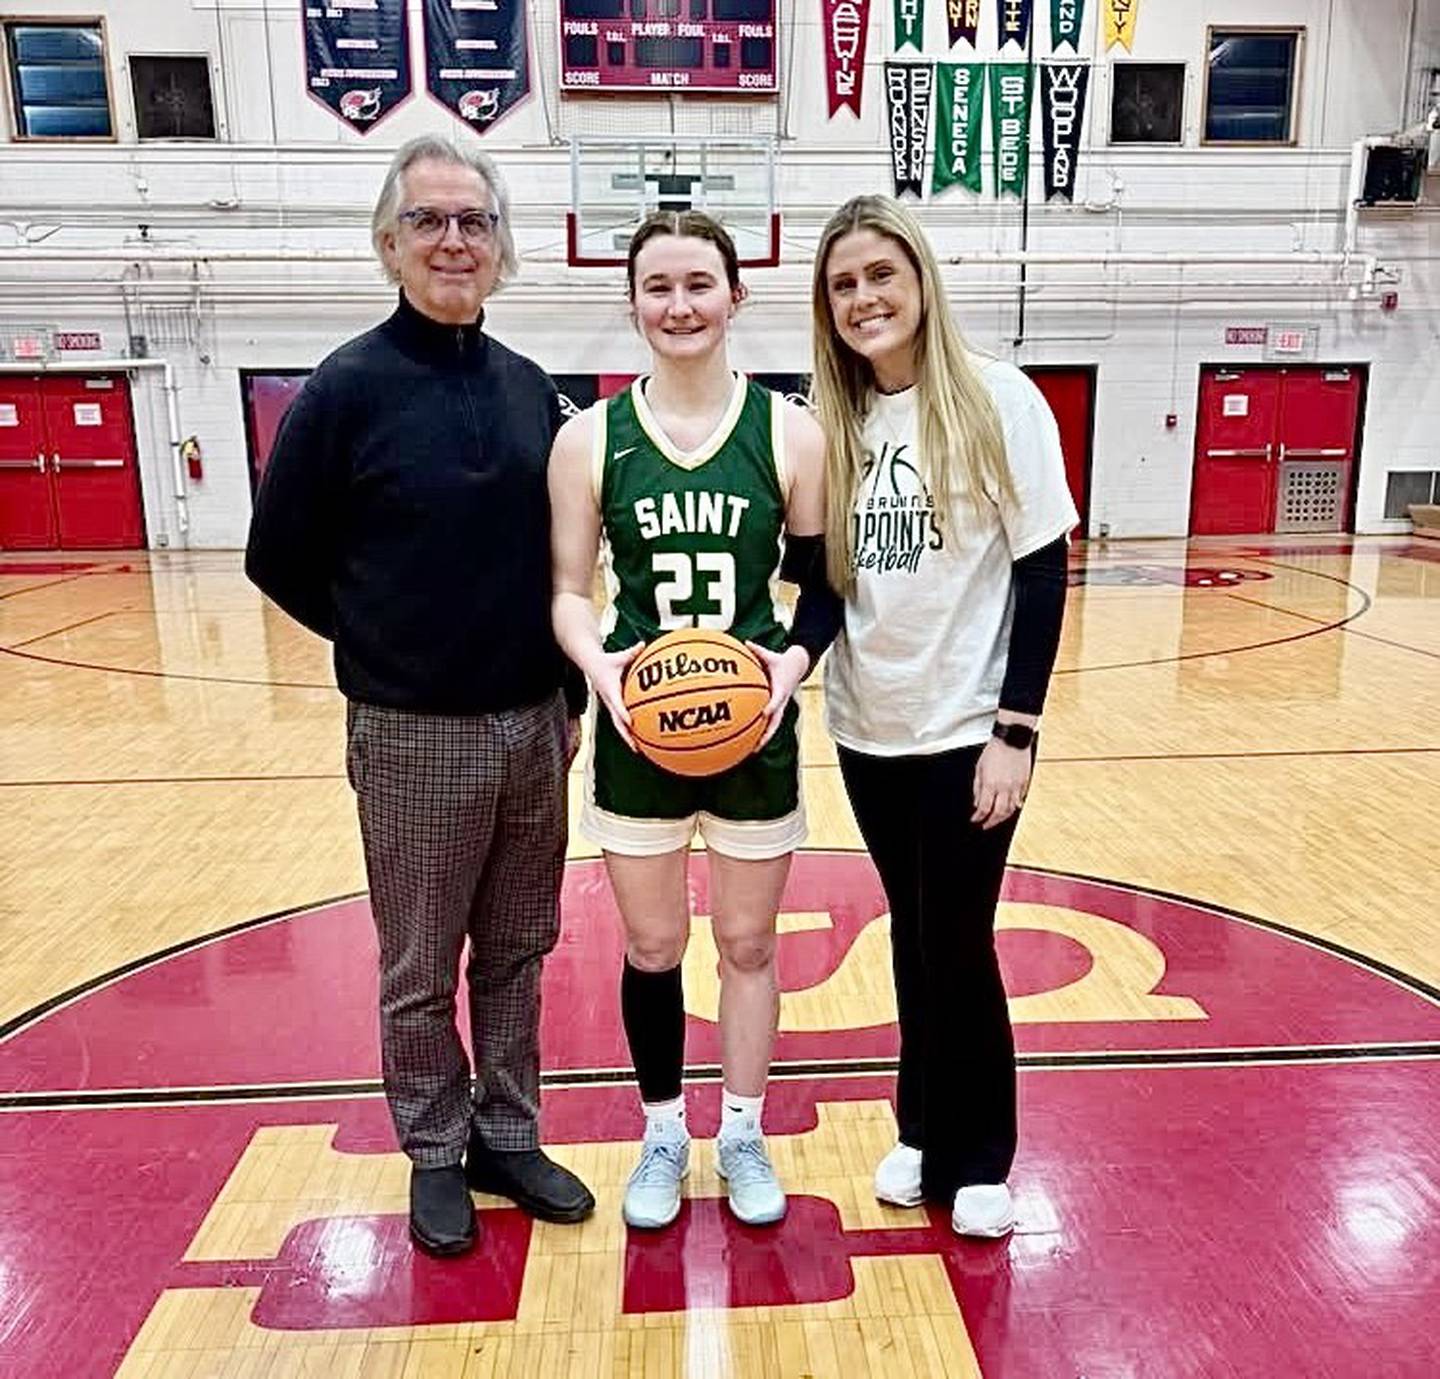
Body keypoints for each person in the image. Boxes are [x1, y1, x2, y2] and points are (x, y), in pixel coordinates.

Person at [245, 135, 594, 1258]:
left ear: (501, 249)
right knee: (417, 961)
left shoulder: (533, 388)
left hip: (534, 724)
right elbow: (277, 557)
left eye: (475, 222)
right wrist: (386, 643)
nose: (455, 240)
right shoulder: (344, 389)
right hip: (413, 732)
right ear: (389, 242)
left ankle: (507, 1128)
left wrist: (565, 700)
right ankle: (435, 1147)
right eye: (431, 221)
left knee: (516, 947)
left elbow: (563, 559)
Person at [549, 211, 839, 1230]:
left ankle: (745, 1129)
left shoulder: (790, 431)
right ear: (633, 301)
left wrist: (787, 670)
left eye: (699, 284)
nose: (679, 304)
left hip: (753, 729)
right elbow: (569, 591)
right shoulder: (588, 438)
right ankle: (665, 1127)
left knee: (750, 944)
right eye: (659, 285)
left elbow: (821, 591)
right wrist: (607, 673)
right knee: (654, 945)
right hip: (641, 731)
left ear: (735, 297)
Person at [809, 195, 1077, 1239]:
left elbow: (1043, 568)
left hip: (970, 723)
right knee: (913, 938)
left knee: (958, 938)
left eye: (882, 274)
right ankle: (919, 1127)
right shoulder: (835, 422)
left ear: (920, 280)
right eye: (844, 284)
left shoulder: (998, 401)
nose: (866, 297)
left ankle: (980, 1154)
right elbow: (826, 582)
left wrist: (1019, 727)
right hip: (868, 725)